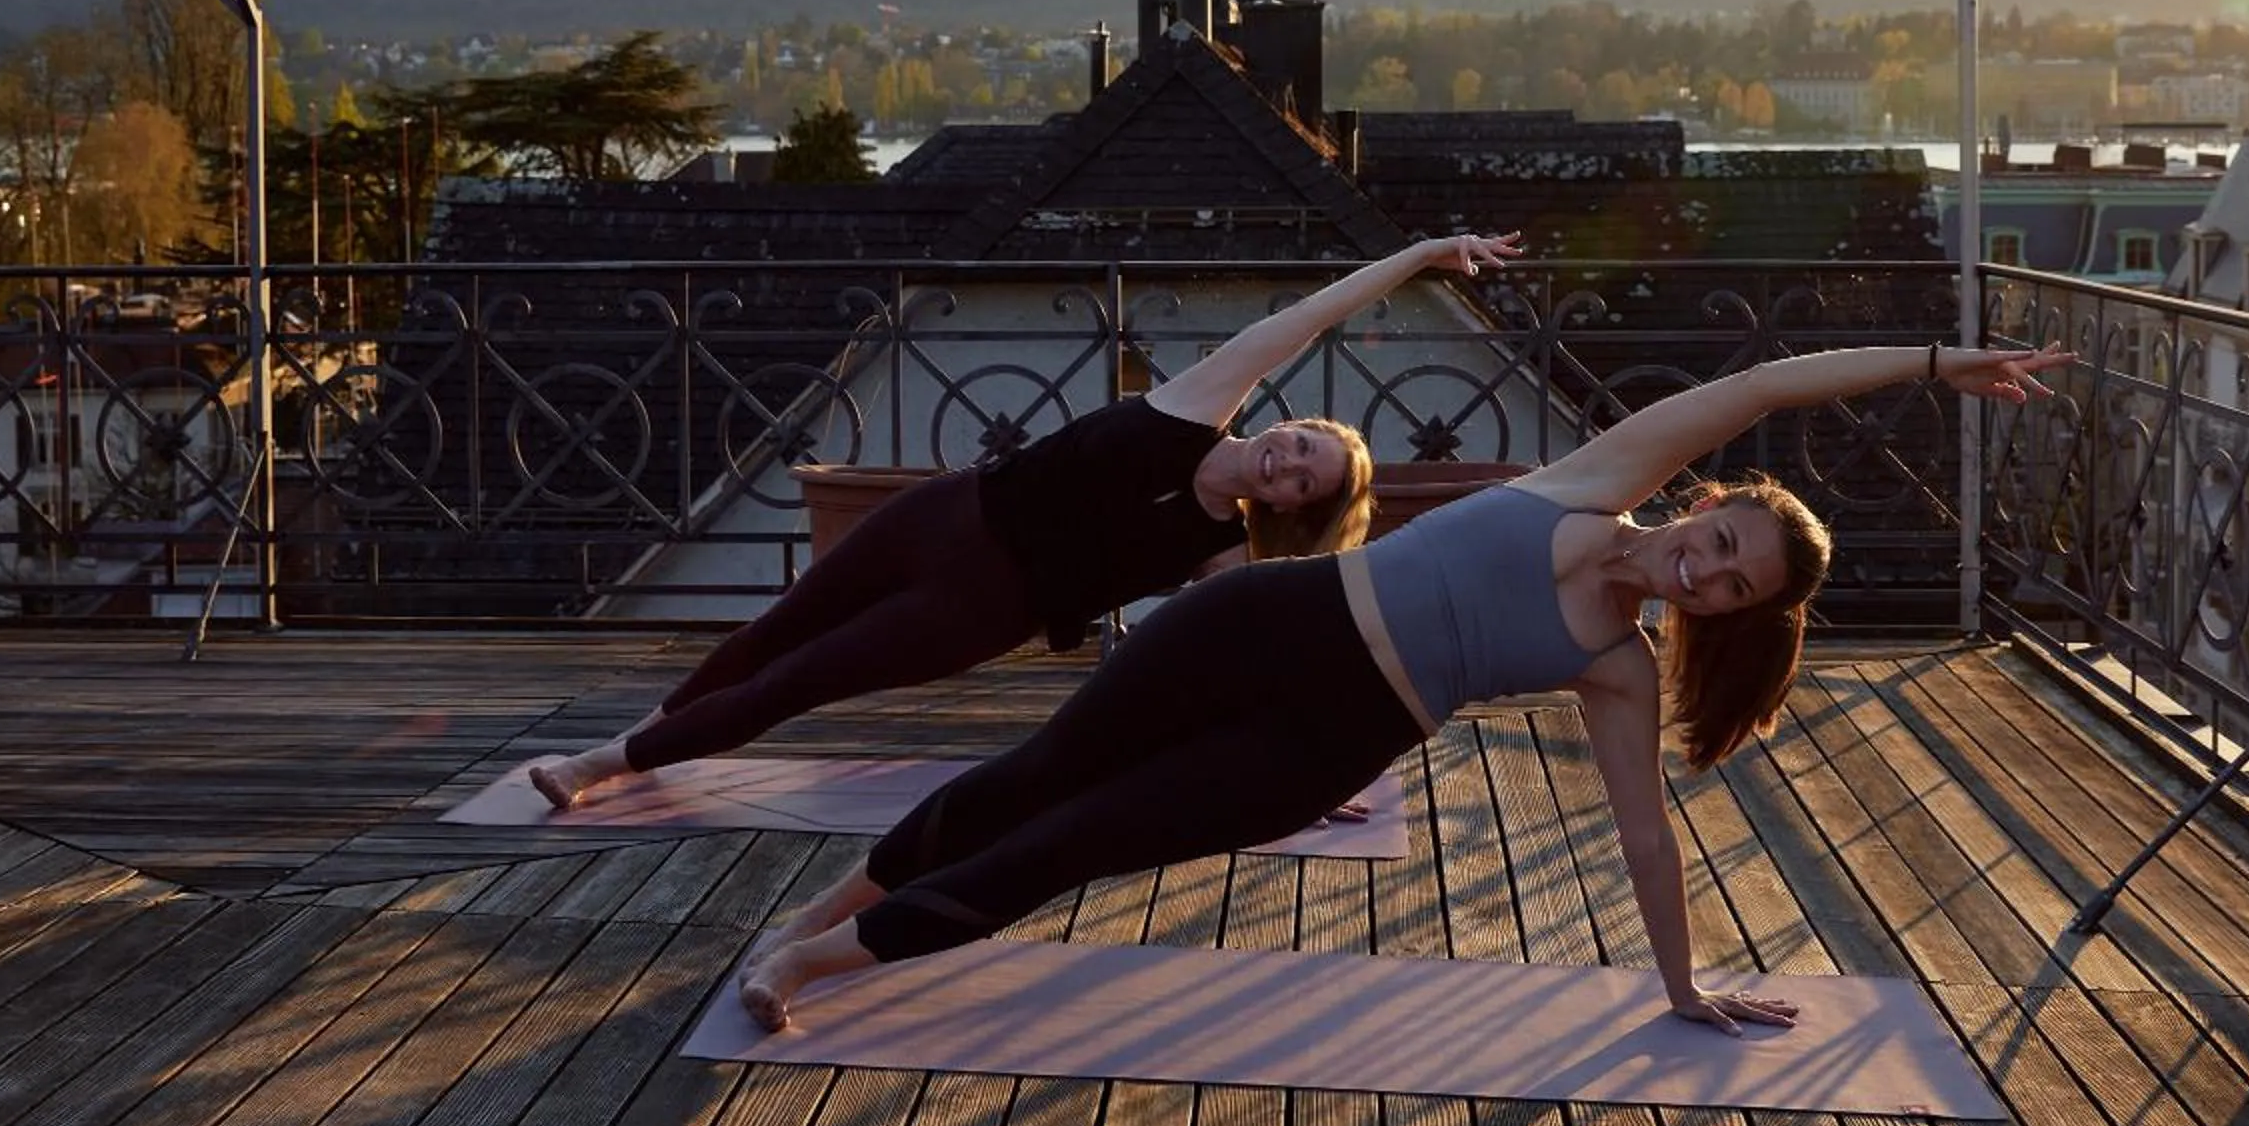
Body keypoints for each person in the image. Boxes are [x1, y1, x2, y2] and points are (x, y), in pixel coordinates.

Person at [734, 338, 2074, 1034]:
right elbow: (1769, 380)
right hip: (1260, 624)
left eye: (1724, 588)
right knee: (1034, 777)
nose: (1701, 572)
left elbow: (1648, 836)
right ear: (1706, 502)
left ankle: (818, 956)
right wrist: (1939, 364)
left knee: (1078, 841)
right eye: (1719, 541)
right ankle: (840, 896)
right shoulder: (1598, 479)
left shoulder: (1615, 669)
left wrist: (1682, 987)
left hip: (1328, 738)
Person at [526, 232, 1528, 809]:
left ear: (1287, 509)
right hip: (942, 514)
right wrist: (1426, 254)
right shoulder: (1196, 401)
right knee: (770, 631)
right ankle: (653, 735)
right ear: (1285, 424)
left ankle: (598, 767)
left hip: (976, 610)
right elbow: (1313, 313)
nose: (1290, 466)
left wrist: (1315, 778)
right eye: (1302, 445)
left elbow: (1244, 678)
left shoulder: (1221, 557)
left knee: (795, 683)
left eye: (1304, 485)